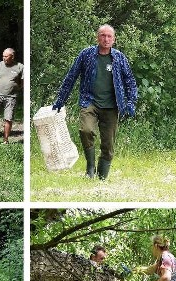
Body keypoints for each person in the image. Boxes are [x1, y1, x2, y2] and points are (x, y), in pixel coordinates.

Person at [53, 24, 137, 180]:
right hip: (89, 101)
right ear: (97, 37)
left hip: (112, 106)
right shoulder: (86, 55)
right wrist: (61, 99)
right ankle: (90, 167)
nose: (106, 39)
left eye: (109, 36)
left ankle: (102, 177)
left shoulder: (119, 58)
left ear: (114, 39)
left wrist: (131, 102)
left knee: (108, 145)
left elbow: (130, 81)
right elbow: (71, 76)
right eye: (103, 35)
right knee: (85, 130)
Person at [0, 48, 23, 145]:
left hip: (11, 97)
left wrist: (15, 88)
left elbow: (22, 83)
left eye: (6, 56)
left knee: (8, 118)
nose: (4, 58)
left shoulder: (20, 67)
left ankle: (5, 140)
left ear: (12, 57)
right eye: (3, 56)